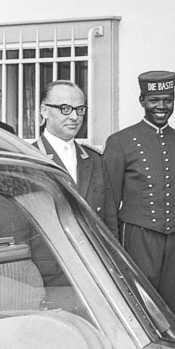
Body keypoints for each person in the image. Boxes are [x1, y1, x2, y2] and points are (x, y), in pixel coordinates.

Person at [104, 71, 175, 325]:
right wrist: (114, 258)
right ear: (142, 100)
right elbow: (109, 207)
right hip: (138, 238)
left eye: (167, 100)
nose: (161, 107)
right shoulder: (120, 142)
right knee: (139, 312)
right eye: (154, 100)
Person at [33, 80, 118, 237]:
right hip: (49, 259)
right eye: (65, 109)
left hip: (92, 257)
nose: (74, 117)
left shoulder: (95, 160)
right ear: (44, 111)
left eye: (80, 109)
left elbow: (110, 224)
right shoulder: (28, 159)